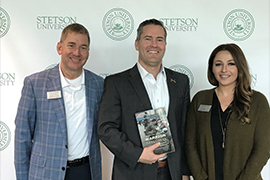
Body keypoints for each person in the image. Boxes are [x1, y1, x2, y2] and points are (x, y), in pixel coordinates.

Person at [98, 18, 190, 180]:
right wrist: (137, 154)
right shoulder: (116, 83)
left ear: (165, 45)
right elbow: (106, 128)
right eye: (148, 39)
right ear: (137, 44)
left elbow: (184, 130)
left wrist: (184, 172)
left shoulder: (180, 82)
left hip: (171, 173)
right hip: (132, 172)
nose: (154, 44)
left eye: (159, 40)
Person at [14, 23, 103, 180]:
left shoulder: (98, 85)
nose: (77, 52)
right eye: (71, 45)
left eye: (83, 47)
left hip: (85, 172)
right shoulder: (35, 84)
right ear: (59, 48)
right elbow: (22, 137)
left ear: (88, 52)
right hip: (45, 173)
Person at [185, 43, 270, 180]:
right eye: (218, 64)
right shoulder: (200, 99)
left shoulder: (257, 101)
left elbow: (262, 149)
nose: (224, 69)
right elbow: (190, 144)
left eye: (231, 64)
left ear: (240, 67)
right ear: (212, 68)